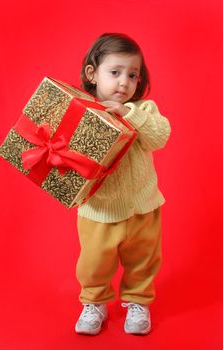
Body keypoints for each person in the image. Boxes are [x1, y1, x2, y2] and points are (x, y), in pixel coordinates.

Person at [75, 33, 171, 335]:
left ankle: (138, 301)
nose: (124, 82)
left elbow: (159, 137)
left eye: (132, 75)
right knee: (93, 263)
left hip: (143, 207)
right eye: (115, 72)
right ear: (93, 74)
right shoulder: (82, 111)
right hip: (99, 210)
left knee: (143, 259)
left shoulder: (143, 110)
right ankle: (94, 302)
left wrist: (128, 114)